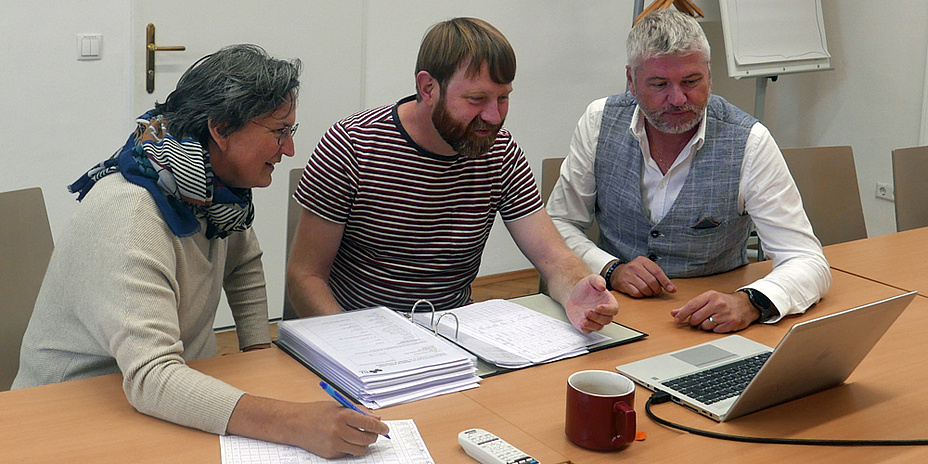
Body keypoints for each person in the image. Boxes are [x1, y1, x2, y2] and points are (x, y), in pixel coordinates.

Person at [13, 44, 388, 458]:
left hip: (168, 394)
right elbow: (152, 378)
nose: (289, 149)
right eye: (279, 132)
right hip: (69, 414)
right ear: (221, 130)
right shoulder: (131, 215)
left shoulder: (213, 193)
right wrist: (292, 422)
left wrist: (257, 354)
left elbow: (243, 263)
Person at [286, 17, 618, 333]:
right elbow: (305, 277)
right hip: (358, 332)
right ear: (428, 88)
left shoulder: (500, 152)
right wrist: (350, 344)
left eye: (503, 98)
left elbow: (553, 257)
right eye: (477, 99)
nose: (493, 116)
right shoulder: (352, 146)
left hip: (452, 334)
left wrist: (578, 287)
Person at [546, 9, 831, 333]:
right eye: (659, 84)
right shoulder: (599, 121)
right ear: (631, 81)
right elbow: (558, 223)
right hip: (612, 312)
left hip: (712, 319)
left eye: (691, 81)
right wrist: (611, 268)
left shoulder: (749, 141)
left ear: (709, 74)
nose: (678, 99)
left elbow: (807, 260)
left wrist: (750, 302)